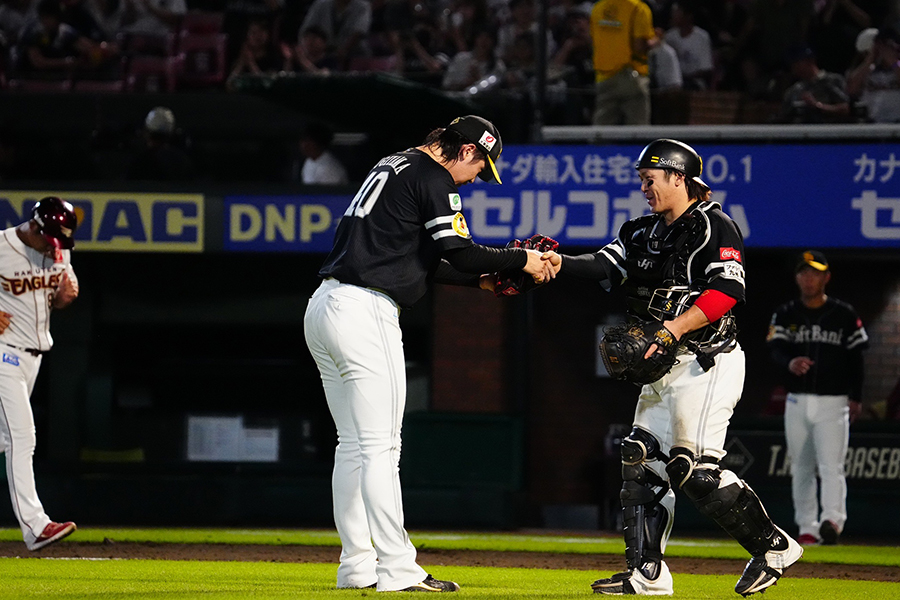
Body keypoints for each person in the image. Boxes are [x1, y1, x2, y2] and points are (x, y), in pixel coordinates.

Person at [540, 139, 802, 596]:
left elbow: (725, 294)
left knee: (694, 471)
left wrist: (672, 329)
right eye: (642, 179)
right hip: (661, 365)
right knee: (640, 460)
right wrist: (556, 262)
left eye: (650, 178)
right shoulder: (642, 231)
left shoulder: (714, 226)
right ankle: (647, 574)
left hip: (707, 361)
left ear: (678, 177)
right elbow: (603, 264)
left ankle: (774, 546)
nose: (644, 187)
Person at [303, 115, 553, 592]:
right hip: (364, 310)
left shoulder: (396, 164)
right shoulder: (435, 177)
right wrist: (522, 259)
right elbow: (459, 251)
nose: (478, 177)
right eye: (481, 166)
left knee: (353, 446)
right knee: (381, 448)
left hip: (324, 306)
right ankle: (397, 569)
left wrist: (482, 279)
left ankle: (356, 566)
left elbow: (421, 258)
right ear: (465, 152)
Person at [766, 250, 868, 546]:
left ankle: (832, 521)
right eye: (803, 272)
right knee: (800, 465)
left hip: (833, 401)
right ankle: (807, 526)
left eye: (814, 272)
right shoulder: (786, 313)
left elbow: (857, 358)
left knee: (830, 466)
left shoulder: (844, 314)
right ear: (797, 277)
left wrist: (856, 397)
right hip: (797, 400)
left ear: (826, 277)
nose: (808, 278)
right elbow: (775, 349)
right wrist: (789, 362)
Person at [0, 196, 79, 552]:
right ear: (34, 227)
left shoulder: (60, 250)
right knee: (23, 436)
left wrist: (65, 295)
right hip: (3, 355)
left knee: (5, 441)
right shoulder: (2, 246)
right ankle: (36, 526)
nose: (55, 247)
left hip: (34, 357)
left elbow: (60, 298)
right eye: (50, 238)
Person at [589, 0, 654, 125]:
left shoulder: (598, 7)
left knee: (602, 133)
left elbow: (594, 39)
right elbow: (639, 46)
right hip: (631, 78)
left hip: (604, 77)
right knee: (638, 130)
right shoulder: (638, 8)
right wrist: (656, 41)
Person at [777, 46, 851, 123]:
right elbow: (784, 115)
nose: (794, 68)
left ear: (810, 61)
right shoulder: (795, 89)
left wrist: (818, 106)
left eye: (797, 64)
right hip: (801, 131)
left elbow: (846, 108)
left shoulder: (832, 81)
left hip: (829, 130)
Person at [291, 121, 349, 185]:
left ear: (317, 142)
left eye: (307, 141)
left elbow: (328, 193)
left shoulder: (330, 168)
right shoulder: (309, 161)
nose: (303, 145)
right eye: (302, 140)